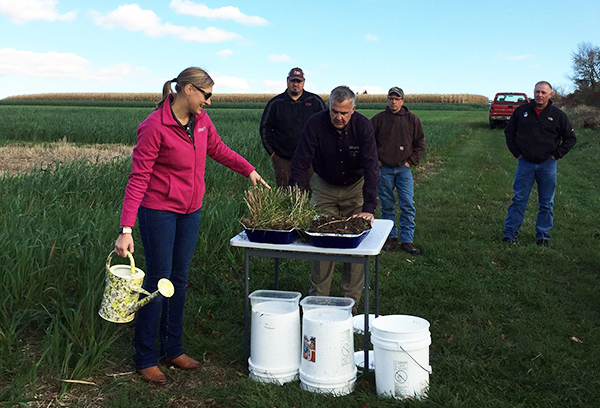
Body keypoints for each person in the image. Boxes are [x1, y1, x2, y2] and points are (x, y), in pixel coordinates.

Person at [114, 67, 270, 384]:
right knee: (159, 280)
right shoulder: (154, 126)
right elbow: (138, 178)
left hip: (191, 212)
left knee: (179, 279)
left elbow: (217, 148)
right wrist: (126, 228)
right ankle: (145, 356)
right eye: (206, 95)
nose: (209, 103)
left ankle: (173, 349)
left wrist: (248, 170)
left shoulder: (200, 122)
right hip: (159, 212)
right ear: (188, 90)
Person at [289, 86, 379, 308]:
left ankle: (350, 304)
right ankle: (318, 301)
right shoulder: (315, 124)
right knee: (322, 241)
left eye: (344, 113)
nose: (338, 117)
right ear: (328, 108)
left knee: (356, 245)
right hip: (324, 186)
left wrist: (368, 206)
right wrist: (295, 200)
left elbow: (371, 168)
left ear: (353, 110)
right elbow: (301, 162)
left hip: (355, 187)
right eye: (334, 112)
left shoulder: (363, 126)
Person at [503, 81, 576, 246]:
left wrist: (556, 155)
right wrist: (517, 153)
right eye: (537, 92)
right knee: (519, 199)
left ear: (550, 95)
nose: (539, 95)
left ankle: (542, 235)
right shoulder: (521, 112)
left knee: (547, 202)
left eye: (543, 92)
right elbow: (509, 133)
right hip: (525, 164)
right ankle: (510, 234)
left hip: (547, 165)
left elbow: (571, 138)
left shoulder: (558, 115)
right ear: (533, 93)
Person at [371, 87, 426, 254]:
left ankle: (407, 240)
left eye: (397, 99)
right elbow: (368, 141)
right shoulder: (379, 119)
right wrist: (377, 160)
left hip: (404, 170)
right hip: (384, 169)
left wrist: (410, 162)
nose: (393, 102)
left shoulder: (412, 120)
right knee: (387, 205)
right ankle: (391, 238)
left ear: (402, 101)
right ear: (387, 100)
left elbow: (420, 143)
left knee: (407, 204)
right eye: (391, 98)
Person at [260, 67, 326, 188]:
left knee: (312, 193)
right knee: (286, 194)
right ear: (287, 81)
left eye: (298, 81)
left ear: (303, 82)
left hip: (310, 158)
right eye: (293, 81)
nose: (295, 84)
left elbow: (326, 126)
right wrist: (273, 154)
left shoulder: (315, 101)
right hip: (283, 158)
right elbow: (265, 129)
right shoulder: (276, 103)